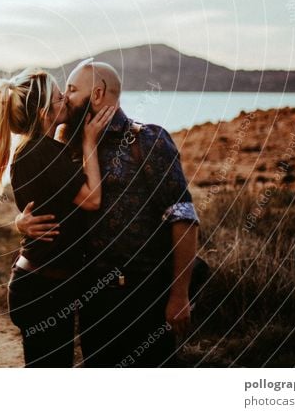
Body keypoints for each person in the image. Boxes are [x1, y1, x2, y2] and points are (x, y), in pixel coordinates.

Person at [16, 59, 200, 367]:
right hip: (92, 297)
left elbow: (183, 218)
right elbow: (47, 201)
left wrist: (179, 295)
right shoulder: (69, 143)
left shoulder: (148, 140)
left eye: (72, 90)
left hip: (144, 294)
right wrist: (20, 221)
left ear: (98, 94)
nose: (66, 98)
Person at [0, 68, 116, 367]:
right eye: (59, 97)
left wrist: (19, 222)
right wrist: (91, 141)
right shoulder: (41, 153)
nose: (66, 100)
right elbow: (92, 199)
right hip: (43, 290)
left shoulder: (35, 150)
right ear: (45, 112)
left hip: (43, 286)